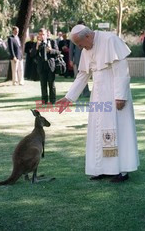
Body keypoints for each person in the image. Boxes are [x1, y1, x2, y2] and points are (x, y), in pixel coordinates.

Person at [57, 24, 139, 183]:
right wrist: (69, 97)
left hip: (114, 94)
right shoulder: (87, 49)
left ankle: (121, 171)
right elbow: (82, 75)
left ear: (87, 36)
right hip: (98, 96)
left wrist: (120, 96)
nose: (80, 48)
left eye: (79, 44)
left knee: (118, 130)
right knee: (98, 131)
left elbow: (122, 70)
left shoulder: (110, 40)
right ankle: (103, 169)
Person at [32, 28, 60, 104]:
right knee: (43, 85)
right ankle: (44, 101)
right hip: (41, 66)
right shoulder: (36, 44)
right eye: (40, 35)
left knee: (52, 84)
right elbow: (32, 55)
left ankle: (53, 100)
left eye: (43, 34)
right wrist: (37, 48)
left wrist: (51, 50)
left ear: (46, 34)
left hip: (50, 66)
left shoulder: (52, 42)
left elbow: (58, 52)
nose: (42, 36)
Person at [69, 21, 90, 97]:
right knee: (77, 77)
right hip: (77, 59)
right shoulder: (74, 35)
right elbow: (71, 48)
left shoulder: (88, 34)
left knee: (85, 76)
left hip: (86, 59)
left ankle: (86, 92)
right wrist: (71, 59)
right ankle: (77, 93)